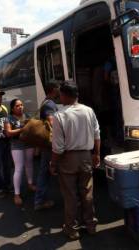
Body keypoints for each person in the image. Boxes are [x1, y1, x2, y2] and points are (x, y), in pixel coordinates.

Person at [50, 81, 101, 240]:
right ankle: (91, 225)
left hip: (68, 158)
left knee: (70, 195)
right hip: (86, 155)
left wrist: (53, 163)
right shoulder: (89, 111)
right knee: (87, 192)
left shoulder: (60, 115)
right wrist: (96, 154)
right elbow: (97, 135)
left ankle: (72, 229)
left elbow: (58, 147)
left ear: (64, 95)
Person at [4, 99, 36, 206]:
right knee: (19, 168)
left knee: (29, 164)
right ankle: (17, 194)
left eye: (21, 105)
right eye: (17, 106)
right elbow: (8, 133)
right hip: (17, 145)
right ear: (12, 108)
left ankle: (30, 184)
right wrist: (23, 129)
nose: (20, 107)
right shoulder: (9, 118)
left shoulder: (27, 116)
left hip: (29, 144)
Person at [34, 82, 60, 211]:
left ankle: (40, 199)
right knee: (46, 171)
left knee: (46, 171)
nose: (59, 91)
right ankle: (40, 200)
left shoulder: (46, 102)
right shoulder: (49, 104)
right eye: (57, 89)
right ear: (53, 90)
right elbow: (52, 122)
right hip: (50, 144)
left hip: (47, 143)